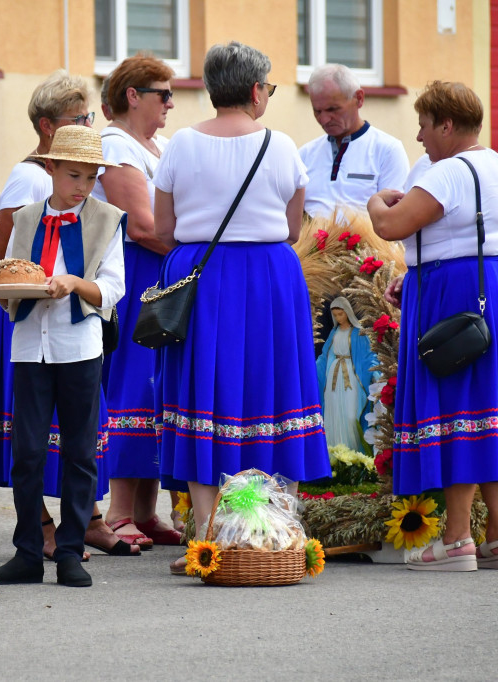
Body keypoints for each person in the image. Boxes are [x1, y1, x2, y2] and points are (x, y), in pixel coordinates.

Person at [152, 42, 331, 575]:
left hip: (201, 277)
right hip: (271, 276)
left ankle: (208, 536)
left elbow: (163, 229)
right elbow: (295, 227)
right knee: (277, 389)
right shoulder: (282, 147)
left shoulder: (180, 144)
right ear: (256, 91)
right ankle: (281, 530)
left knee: (206, 391)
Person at [368, 80, 498, 571]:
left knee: (459, 406)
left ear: (447, 124)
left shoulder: (447, 172)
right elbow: (466, 230)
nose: (421, 137)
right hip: (496, 283)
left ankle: (456, 539)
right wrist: (417, 270)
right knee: (490, 405)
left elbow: (390, 226)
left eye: (425, 126)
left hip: (455, 291)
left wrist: (376, 201)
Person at [0, 70, 139, 558]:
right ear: (49, 168)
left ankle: (71, 549)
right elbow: (7, 272)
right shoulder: (27, 216)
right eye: (74, 175)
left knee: (79, 452)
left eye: (92, 178)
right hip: (30, 346)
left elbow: (114, 287)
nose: (83, 186)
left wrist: (75, 284)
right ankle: (29, 548)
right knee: (26, 453)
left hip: (80, 347)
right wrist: (19, 287)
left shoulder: (106, 220)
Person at [91, 54, 181, 549]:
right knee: (133, 383)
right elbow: (144, 226)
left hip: (162, 271)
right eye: (162, 94)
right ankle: (121, 508)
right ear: (132, 96)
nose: (171, 103)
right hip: (138, 270)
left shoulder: (161, 145)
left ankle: (147, 510)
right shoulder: (114, 143)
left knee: (157, 385)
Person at [299, 63, 409, 219]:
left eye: (333, 109)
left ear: (359, 99)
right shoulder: (305, 154)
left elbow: (393, 218)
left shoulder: (388, 150)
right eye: (317, 111)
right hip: (309, 243)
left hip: (368, 243)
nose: (323, 119)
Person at [315, 297, 376, 451]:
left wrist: (374, 371)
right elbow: (324, 356)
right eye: (335, 315)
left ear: (347, 312)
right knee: (332, 414)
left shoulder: (358, 333)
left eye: (340, 314)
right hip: (333, 380)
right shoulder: (333, 333)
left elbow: (368, 356)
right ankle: (335, 454)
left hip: (351, 376)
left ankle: (355, 452)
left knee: (350, 415)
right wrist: (313, 369)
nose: (337, 318)